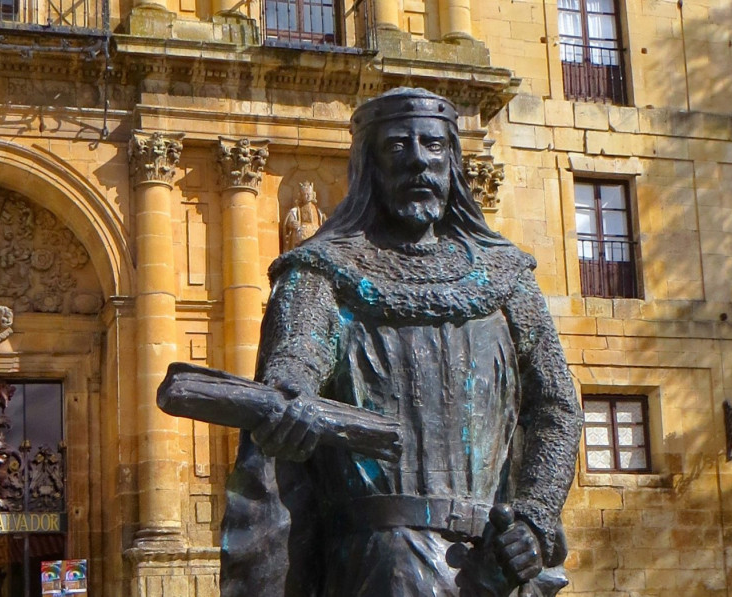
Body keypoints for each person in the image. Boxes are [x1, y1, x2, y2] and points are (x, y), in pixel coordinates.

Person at [219, 88, 583, 597]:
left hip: (496, 565)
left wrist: (535, 520)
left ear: (452, 160)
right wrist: (289, 398)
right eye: (396, 146)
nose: (418, 160)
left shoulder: (507, 275)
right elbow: (297, 358)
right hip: (381, 564)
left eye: (433, 145)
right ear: (370, 165)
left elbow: (556, 404)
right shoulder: (321, 271)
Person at [281, 181, 327, 251]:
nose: (307, 196)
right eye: (304, 194)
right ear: (301, 196)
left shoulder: (318, 211)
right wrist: (292, 223)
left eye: (309, 194)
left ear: (313, 195)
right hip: (302, 235)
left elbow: (322, 221)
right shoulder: (296, 210)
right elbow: (290, 220)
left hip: (316, 235)